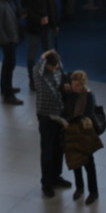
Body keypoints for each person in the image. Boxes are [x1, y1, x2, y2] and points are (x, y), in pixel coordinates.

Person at [33, 50, 69, 197]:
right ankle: (46, 183)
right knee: (47, 151)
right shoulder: (40, 75)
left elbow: (61, 70)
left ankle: (56, 176)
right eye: (52, 66)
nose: (54, 69)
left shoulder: (58, 69)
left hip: (59, 114)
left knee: (58, 149)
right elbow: (37, 68)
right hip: (46, 116)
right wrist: (43, 56)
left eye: (56, 66)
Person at [62, 71, 101, 203]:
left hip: (84, 134)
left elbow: (88, 115)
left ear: (83, 84)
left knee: (89, 163)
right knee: (75, 162)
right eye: (73, 84)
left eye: (77, 85)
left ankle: (93, 192)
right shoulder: (70, 94)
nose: (75, 87)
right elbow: (65, 110)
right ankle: (79, 187)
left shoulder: (89, 96)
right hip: (72, 132)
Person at [20, 0, 58, 78]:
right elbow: (26, 10)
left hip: (46, 27)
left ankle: (49, 74)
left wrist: (54, 24)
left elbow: (52, 7)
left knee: (48, 51)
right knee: (32, 53)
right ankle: (31, 76)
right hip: (33, 27)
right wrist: (39, 19)